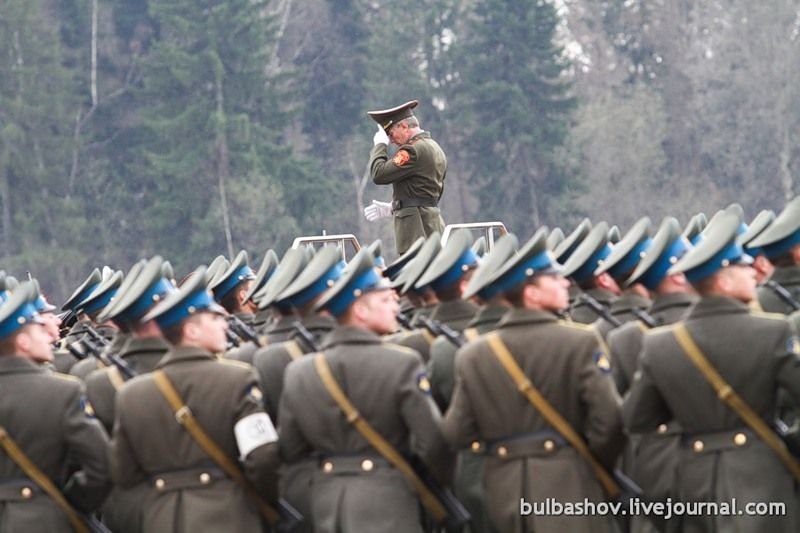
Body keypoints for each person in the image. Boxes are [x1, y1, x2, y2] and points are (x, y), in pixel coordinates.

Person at [623, 209, 800, 532]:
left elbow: (638, 418)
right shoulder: (773, 332)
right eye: (741, 265)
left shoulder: (660, 344)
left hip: (695, 482)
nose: (752, 270)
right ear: (723, 280)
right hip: (763, 475)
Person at [442, 229, 624, 533]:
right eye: (553, 278)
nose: (565, 281)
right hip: (572, 485)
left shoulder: (474, 354)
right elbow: (610, 422)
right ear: (531, 292)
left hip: (503, 491)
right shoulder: (580, 342)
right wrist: (583, 461)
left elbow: (457, 432)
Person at [279, 248, 453, 532]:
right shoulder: (401, 363)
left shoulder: (299, 372)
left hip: (327, 504)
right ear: (360, 310)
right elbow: (433, 444)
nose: (395, 304)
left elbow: (291, 452)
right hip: (390, 501)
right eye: (384, 299)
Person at [110, 267, 280, 532]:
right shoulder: (237, 380)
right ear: (191, 330)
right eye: (213, 318)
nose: (225, 323)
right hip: (229, 517)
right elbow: (264, 457)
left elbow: (125, 476)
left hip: (162, 520)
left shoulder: (131, 395)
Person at [0, 282, 111, 532]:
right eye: (38, 329)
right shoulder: (62, 392)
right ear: (24, 343)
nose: (50, 333)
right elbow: (101, 466)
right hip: (45, 521)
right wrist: (68, 502)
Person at [364, 100, 447, 254]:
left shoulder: (412, 151)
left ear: (403, 127)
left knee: (416, 274)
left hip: (416, 230)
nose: (391, 140)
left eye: (391, 134)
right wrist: (394, 207)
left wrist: (380, 145)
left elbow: (378, 174)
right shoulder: (435, 147)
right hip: (431, 225)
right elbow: (426, 192)